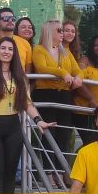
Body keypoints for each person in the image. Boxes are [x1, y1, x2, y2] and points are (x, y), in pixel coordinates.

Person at [0, 38, 52, 194]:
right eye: (3, 48)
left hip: (13, 127)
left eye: (10, 49)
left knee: (11, 172)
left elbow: (27, 103)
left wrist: (39, 121)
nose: (6, 52)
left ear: (14, 53)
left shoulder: (20, 77)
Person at [31, 19, 82, 156]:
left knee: (64, 134)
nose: (62, 33)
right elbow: (41, 68)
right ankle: (48, 168)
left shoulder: (65, 51)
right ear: (49, 32)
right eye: (59, 30)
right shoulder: (39, 49)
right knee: (49, 134)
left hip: (64, 95)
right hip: (45, 94)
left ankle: (60, 167)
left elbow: (77, 70)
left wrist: (79, 78)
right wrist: (63, 73)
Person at [0, 7, 31, 72]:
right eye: (6, 18)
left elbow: (28, 70)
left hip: (19, 78)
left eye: (13, 18)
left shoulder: (25, 43)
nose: (10, 21)